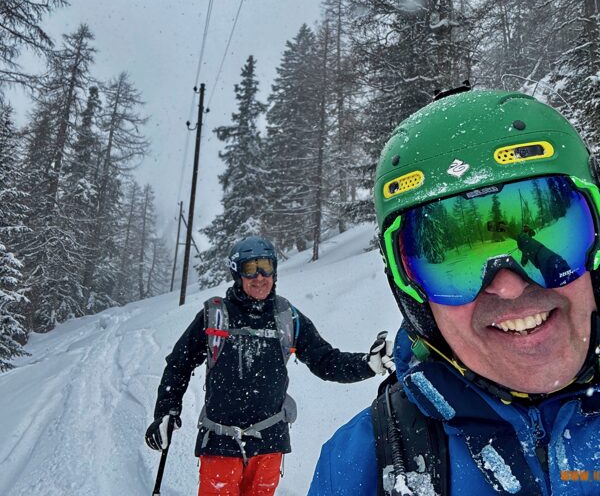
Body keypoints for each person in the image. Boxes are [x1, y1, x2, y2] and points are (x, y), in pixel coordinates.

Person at [309, 88, 600, 495]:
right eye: (455, 259)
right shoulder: (361, 468)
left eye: (549, 230)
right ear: (414, 297)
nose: (508, 286)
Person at [145, 235, 394, 495]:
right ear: (237, 273)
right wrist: (166, 412)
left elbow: (325, 361)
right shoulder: (215, 316)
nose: (260, 277)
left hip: (269, 442)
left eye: (265, 267)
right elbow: (179, 364)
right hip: (220, 440)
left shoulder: (286, 317)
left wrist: (368, 364)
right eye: (250, 268)